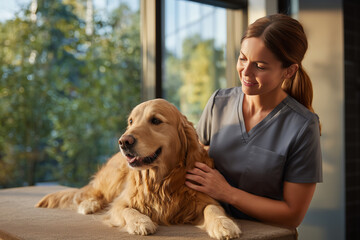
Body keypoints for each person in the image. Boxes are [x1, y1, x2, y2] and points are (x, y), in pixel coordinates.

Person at [185, 13, 322, 229]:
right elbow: (194, 165)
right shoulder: (218, 103)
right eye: (243, 58)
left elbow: (292, 215)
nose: (245, 72)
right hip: (210, 227)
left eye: (260, 66)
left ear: (289, 71)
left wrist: (226, 192)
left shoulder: (303, 126)